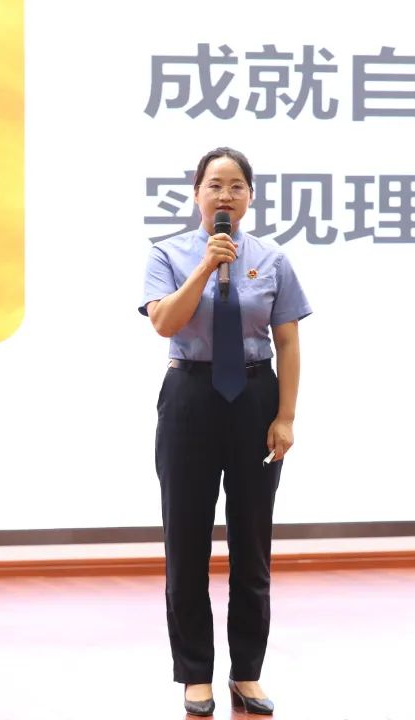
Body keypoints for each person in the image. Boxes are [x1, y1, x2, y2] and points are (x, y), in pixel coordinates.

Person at [138, 147, 312, 716]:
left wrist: (285, 416)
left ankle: (248, 673)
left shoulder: (272, 259)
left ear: (251, 196)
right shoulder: (168, 254)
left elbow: (287, 341)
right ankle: (195, 674)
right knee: (186, 541)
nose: (225, 195)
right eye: (214, 185)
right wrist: (205, 268)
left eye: (237, 186)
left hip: (255, 399)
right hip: (189, 396)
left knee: (251, 544)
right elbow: (164, 321)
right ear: (196, 194)